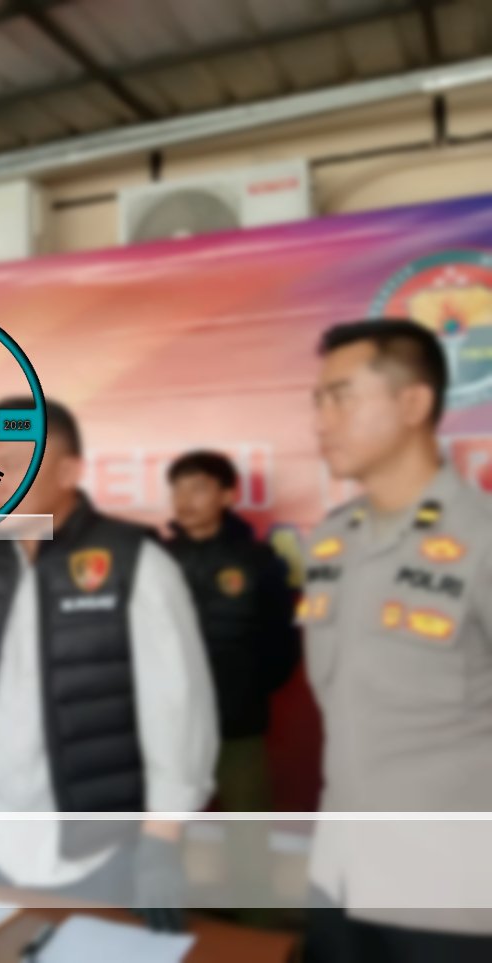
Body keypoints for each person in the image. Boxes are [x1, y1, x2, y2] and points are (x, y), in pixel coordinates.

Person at [0, 398, 219, 931]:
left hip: (97, 851)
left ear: (69, 472)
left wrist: (161, 839)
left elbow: (179, 712)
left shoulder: (134, 563)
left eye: (14, 462)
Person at [303, 319, 492, 961]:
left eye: (341, 398)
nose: (321, 421)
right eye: (317, 401)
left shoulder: (480, 538)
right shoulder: (330, 539)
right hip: (339, 876)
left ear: (413, 403)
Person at [163, 450, 299, 912]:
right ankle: (170, 921)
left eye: (198, 488)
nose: (185, 499)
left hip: (238, 725)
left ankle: (257, 927)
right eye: (178, 489)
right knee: (166, 832)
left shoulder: (258, 561)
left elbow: (282, 646)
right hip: (172, 727)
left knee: (248, 834)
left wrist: (244, 691)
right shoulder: (159, 560)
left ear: (227, 495)